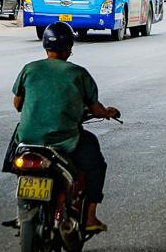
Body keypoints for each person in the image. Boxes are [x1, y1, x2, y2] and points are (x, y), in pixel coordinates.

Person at [9, 21, 120, 232]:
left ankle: (21, 202)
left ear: (45, 46)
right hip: (64, 141)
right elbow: (95, 108)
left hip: (28, 139)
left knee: (16, 150)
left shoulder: (30, 69)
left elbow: (17, 105)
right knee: (96, 164)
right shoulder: (78, 73)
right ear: (69, 47)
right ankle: (90, 217)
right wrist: (107, 112)